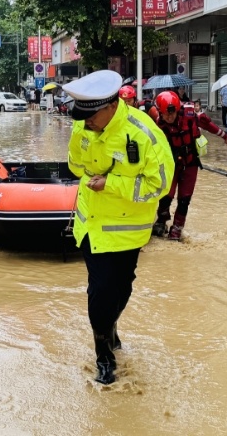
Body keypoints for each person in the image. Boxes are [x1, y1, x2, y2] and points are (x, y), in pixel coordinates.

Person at [63, 70, 173, 385]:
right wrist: (88, 162)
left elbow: (160, 184)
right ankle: (104, 356)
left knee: (123, 287)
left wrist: (111, 183)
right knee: (100, 291)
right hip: (91, 224)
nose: (86, 123)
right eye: (82, 118)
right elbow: (75, 166)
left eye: (91, 116)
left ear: (112, 106)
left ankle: (110, 328)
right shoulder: (84, 126)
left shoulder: (143, 133)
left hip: (127, 231)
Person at [152, 90, 227, 240]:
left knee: (184, 199)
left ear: (177, 110)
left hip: (190, 162)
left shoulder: (190, 115)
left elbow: (208, 125)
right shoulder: (158, 124)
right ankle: (161, 221)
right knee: (166, 195)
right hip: (171, 164)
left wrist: (225, 136)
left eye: (172, 113)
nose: (169, 117)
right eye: (166, 114)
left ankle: (177, 227)